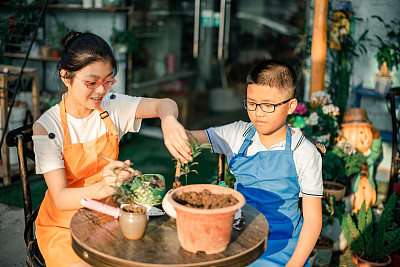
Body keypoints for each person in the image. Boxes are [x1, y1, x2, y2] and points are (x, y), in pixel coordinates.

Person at [32, 31, 191, 267]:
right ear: (66, 76)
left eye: (108, 81)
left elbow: (165, 104)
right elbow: (62, 198)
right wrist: (103, 187)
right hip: (63, 225)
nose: (100, 91)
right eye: (92, 82)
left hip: (108, 214)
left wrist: (168, 121)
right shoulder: (47, 127)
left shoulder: (112, 107)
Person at [188, 59, 323, 266]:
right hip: (238, 237)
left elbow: (313, 220)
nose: (258, 113)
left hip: (282, 246)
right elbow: (190, 138)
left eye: (268, 105)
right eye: (251, 103)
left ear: (291, 106)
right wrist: (170, 124)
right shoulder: (237, 134)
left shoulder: (303, 151)